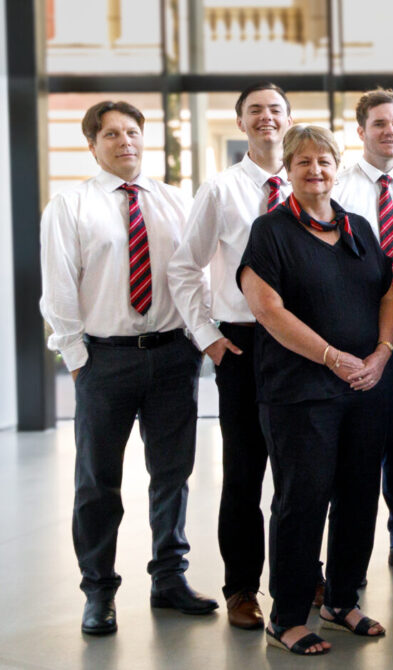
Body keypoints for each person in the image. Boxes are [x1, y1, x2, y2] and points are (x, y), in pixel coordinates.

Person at [41, 100, 216, 637]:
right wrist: (78, 361)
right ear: (92, 145)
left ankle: (169, 578)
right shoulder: (70, 205)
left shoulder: (175, 201)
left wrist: (197, 338)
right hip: (105, 359)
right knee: (98, 482)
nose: (125, 142)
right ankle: (99, 591)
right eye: (112, 134)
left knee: (172, 475)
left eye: (133, 132)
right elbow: (59, 289)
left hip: (172, 356)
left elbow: (197, 275)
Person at [238, 124, 393, 655]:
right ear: (288, 169)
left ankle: (341, 600)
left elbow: (388, 293)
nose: (315, 170)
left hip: (364, 387)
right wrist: (330, 356)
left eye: (324, 160)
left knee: (358, 498)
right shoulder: (271, 231)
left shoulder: (358, 227)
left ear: (337, 166)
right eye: (303, 161)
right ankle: (286, 617)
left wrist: (381, 353)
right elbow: (267, 310)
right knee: (301, 501)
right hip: (300, 392)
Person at [167, 82, 293, 630]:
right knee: (244, 472)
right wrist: (208, 338)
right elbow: (183, 266)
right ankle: (242, 586)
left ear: (289, 119)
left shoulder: (311, 182)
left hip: (303, 345)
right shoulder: (220, 190)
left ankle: (301, 574)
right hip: (244, 344)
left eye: (275, 109)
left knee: (302, 472)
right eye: (254, 110)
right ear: (241, 122)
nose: (266, 118)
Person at [333, 88, 393, 568]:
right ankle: (349, 558)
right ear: (360, 132)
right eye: (379, 124)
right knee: (358, 449)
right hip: (357, 330)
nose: (389, 132)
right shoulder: (338, 188)